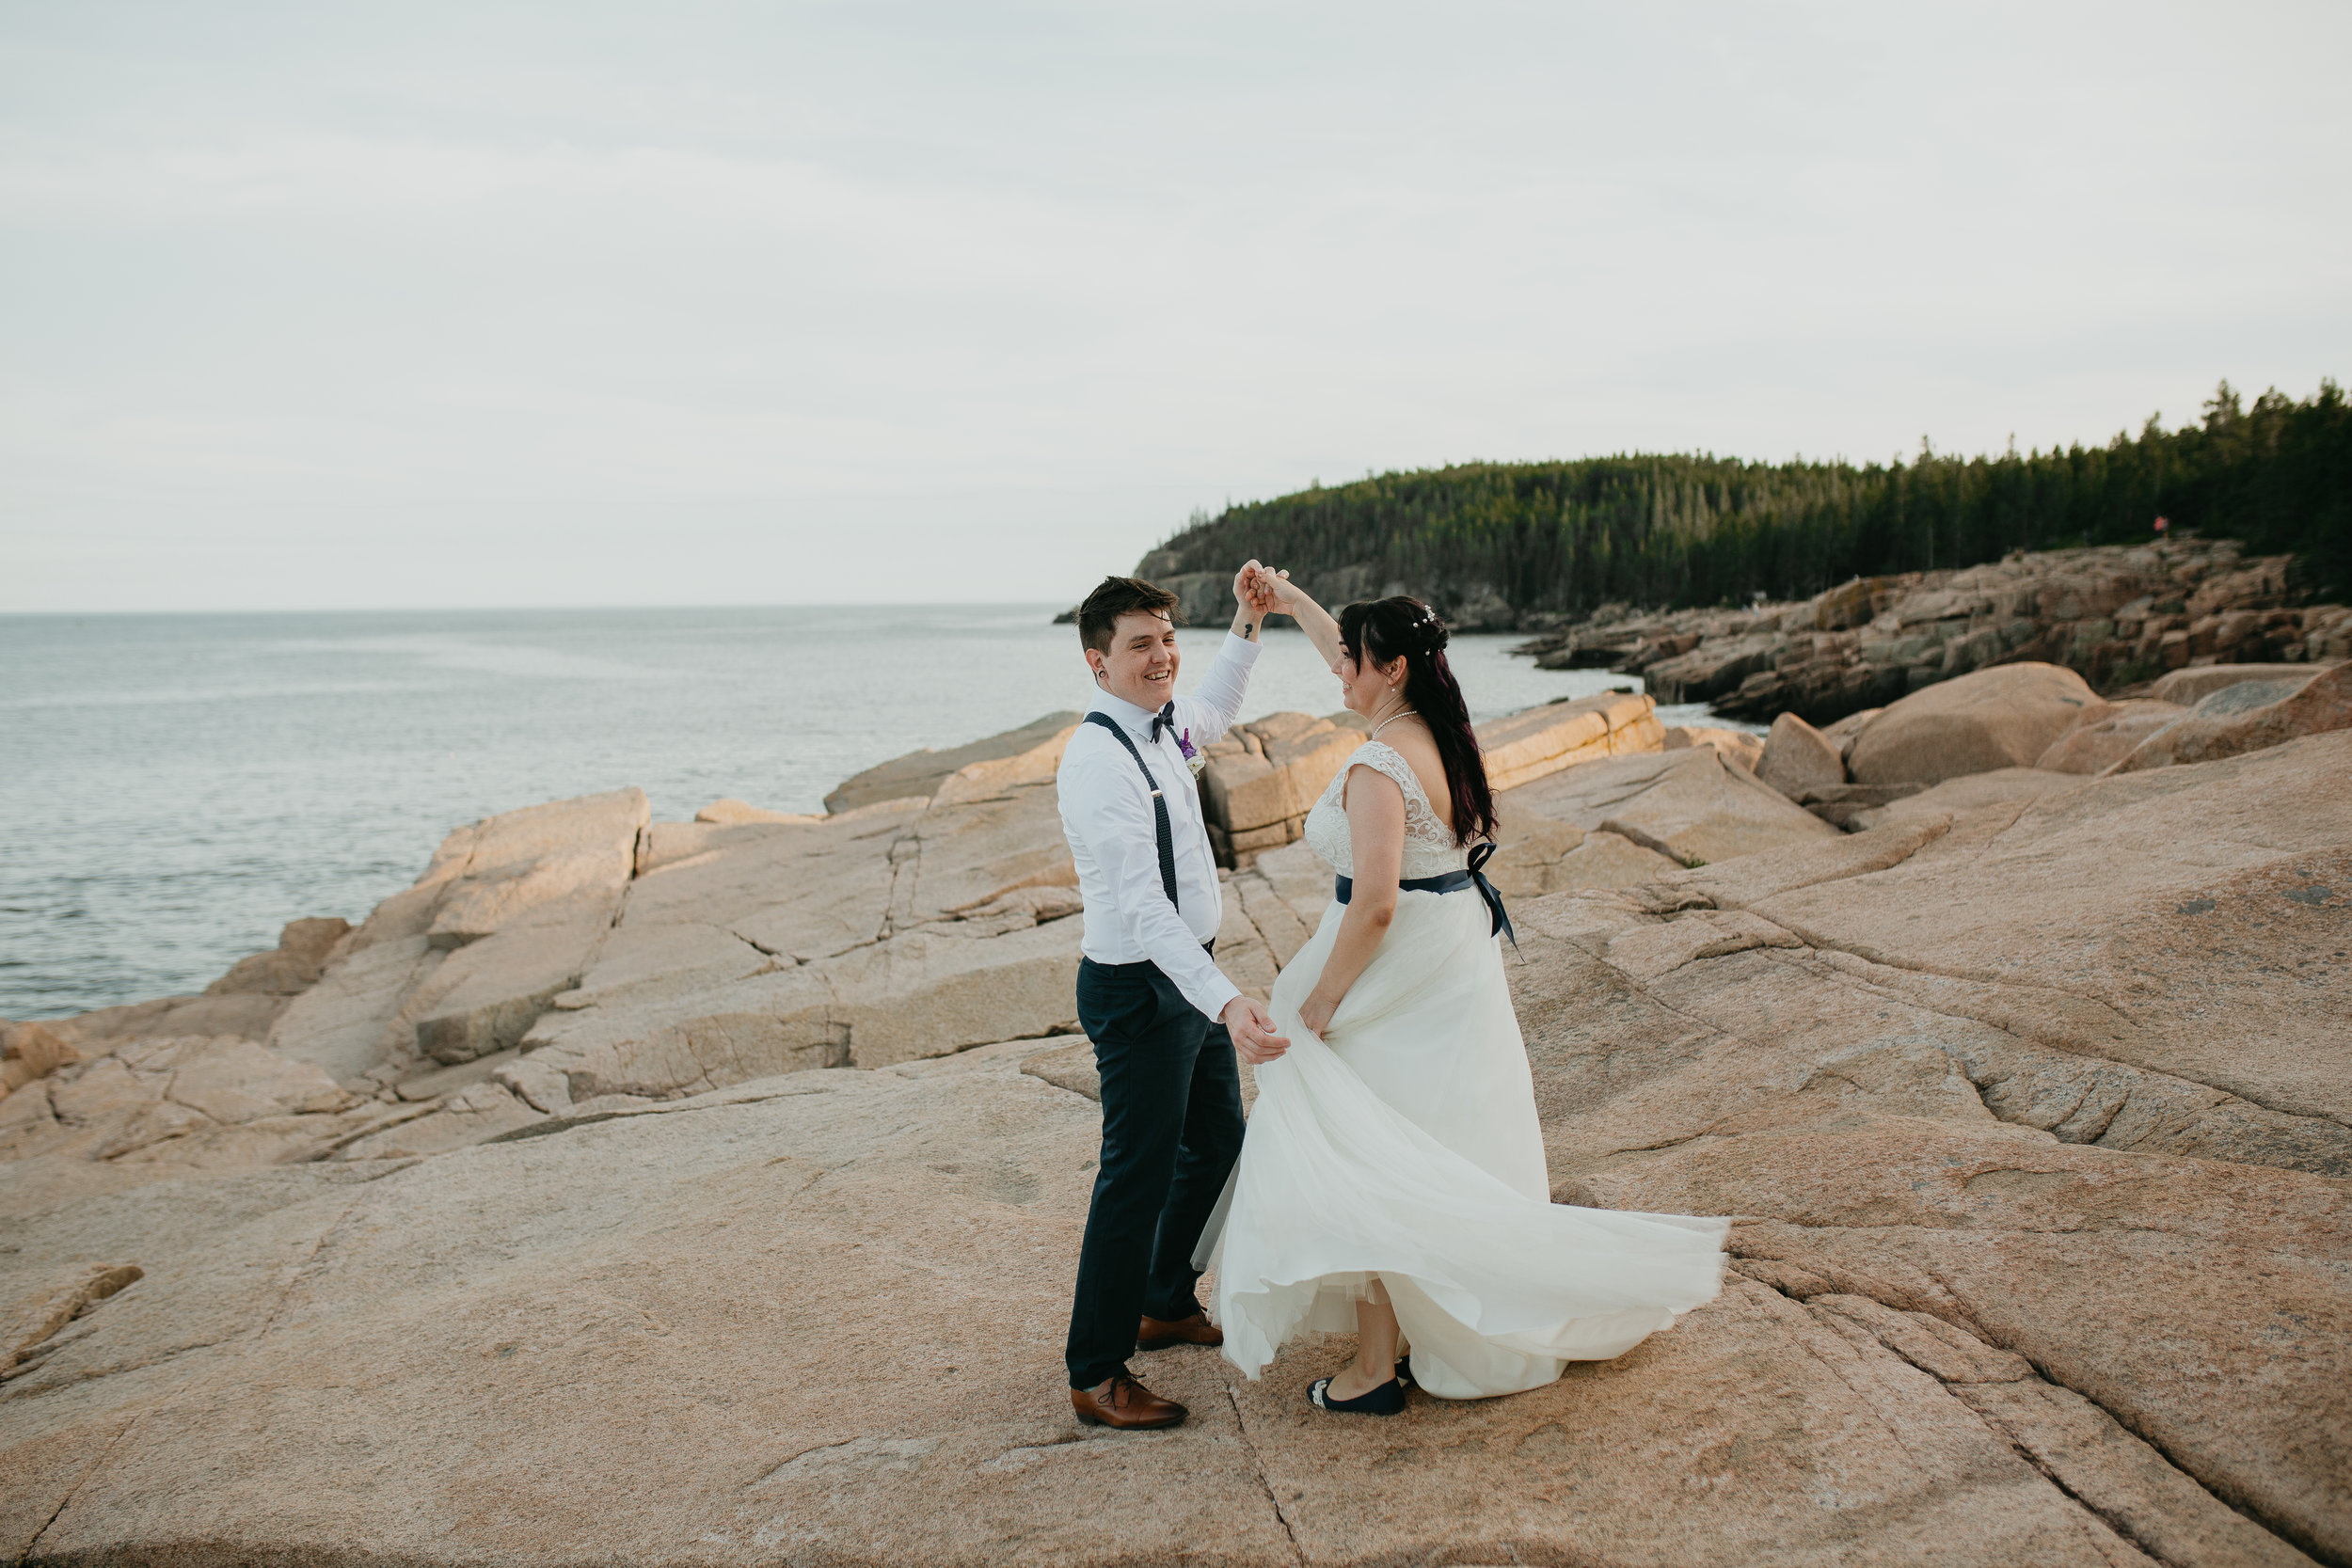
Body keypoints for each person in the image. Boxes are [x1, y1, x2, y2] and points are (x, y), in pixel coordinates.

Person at [1205, 579, 1728, 1414]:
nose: (1340, 672)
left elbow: (1374, 902)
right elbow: (1345, 654)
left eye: (1354, 660)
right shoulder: (1438, 736)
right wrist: (1290, 599)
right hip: (1447, 958)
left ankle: (1377, 1366)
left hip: (1390, 973)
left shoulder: (1380, 763)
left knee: (1365, 1155)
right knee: (1426, 1144)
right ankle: (1410, 1333)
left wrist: (1323, 1002)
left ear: (1395, 668)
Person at [1056, 563, 1294, 1431]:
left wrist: (1246, 622)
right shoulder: (1096, 761)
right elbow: (1142, 909)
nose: (1160, 657)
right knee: (1134, 1177)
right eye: (1139, 645)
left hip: (1187, 978)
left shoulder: (1165, 727)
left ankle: (1162, 1297)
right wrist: (1227, 1001)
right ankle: (1095, 1368)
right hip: (1139, 990)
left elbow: (1217, 708)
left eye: (1165, 639)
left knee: (1219, 1142)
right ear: (1097, 661)